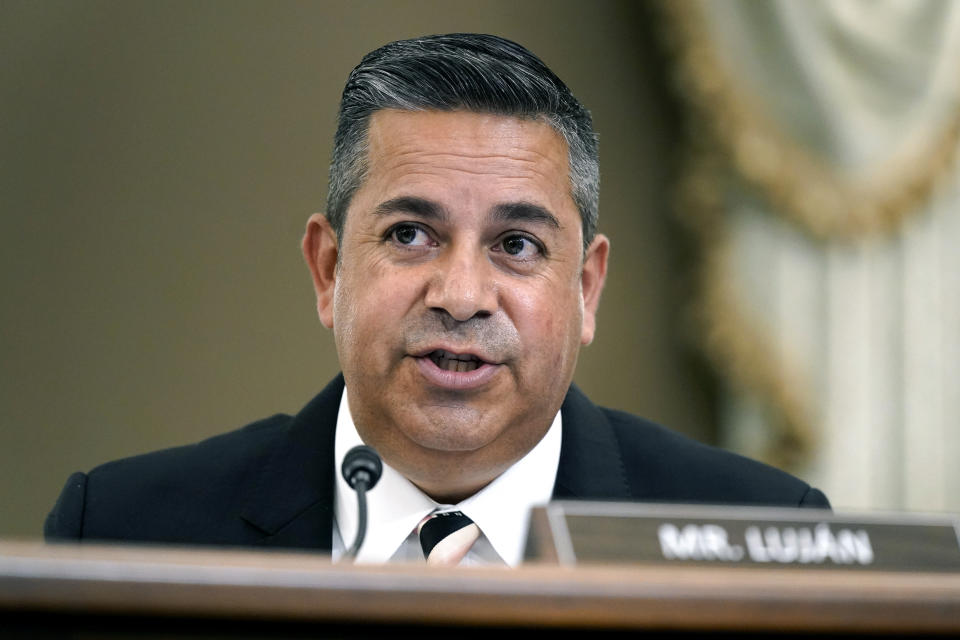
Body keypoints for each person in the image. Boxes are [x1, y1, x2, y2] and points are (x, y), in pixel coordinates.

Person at [44, 33, 829, 567]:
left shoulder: (763, 536)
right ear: (327, 269)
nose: (460, 296)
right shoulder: (124, 531)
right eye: (412, 234)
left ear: (586, 289)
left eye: (516, 245)